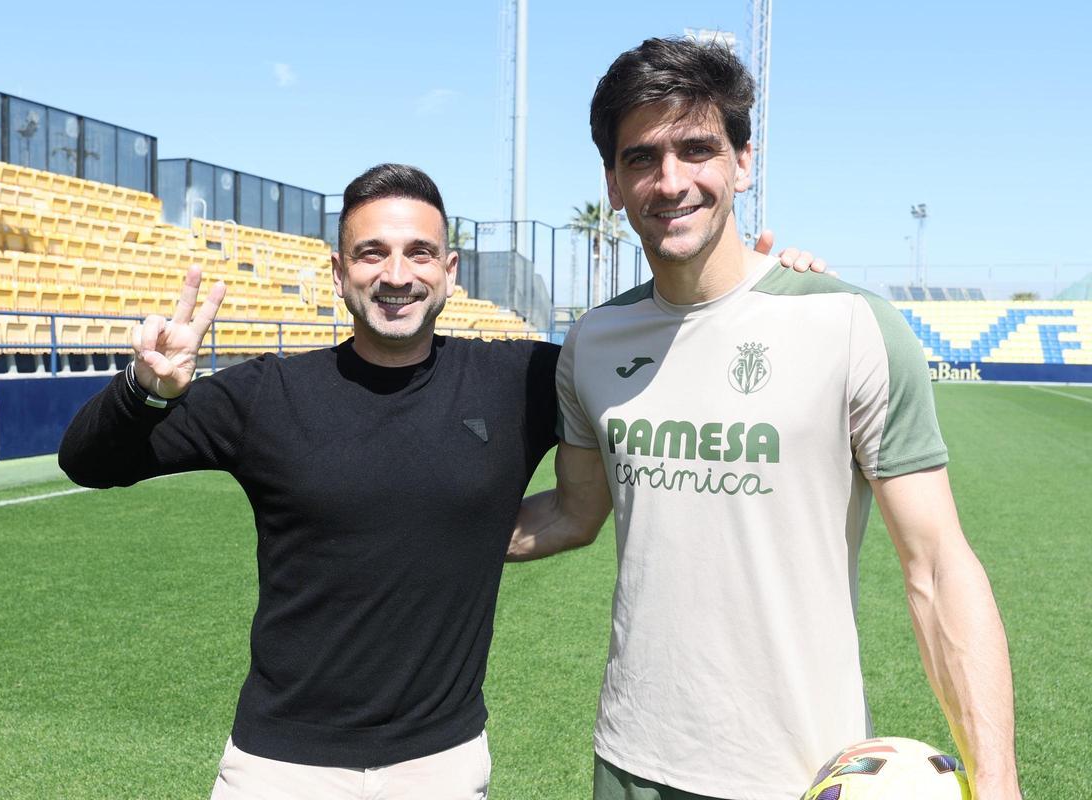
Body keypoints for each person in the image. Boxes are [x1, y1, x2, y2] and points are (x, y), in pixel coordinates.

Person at [59, 162, 819, 799]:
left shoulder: (521, 378)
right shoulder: (267, 394)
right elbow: (88, 463)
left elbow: (664, 378)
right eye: (371, 254)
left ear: (449, 272)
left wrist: (757, 298)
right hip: (277, 767)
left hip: (441, 766)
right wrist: (147, 389)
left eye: (420, 253)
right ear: (338, 272)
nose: (397, 276)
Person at [508, 38, 1021, 800]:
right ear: (613, 184)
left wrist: (1000, 781)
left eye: (697, 148)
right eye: (641, 157)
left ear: (743, 163)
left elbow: (939, 569)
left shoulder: (849, 324)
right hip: (629, 762)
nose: (671, 180)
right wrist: (409, 530)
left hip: (803, 773)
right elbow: (577, 513)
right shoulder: (592, 341)